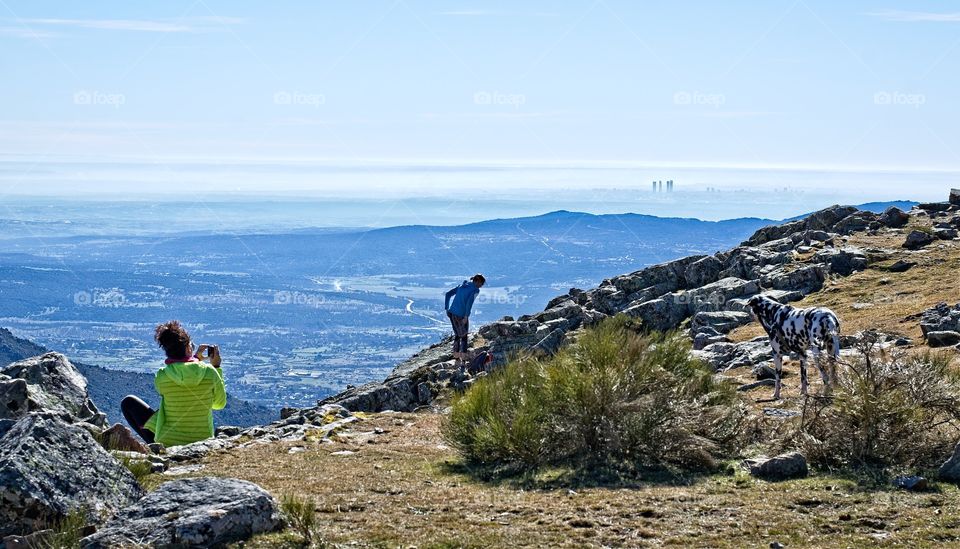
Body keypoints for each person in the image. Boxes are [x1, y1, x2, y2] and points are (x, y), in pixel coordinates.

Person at [121, 320, 227, 447]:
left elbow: (179, 381)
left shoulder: (162, 375)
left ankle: (154, 447)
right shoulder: (210, 372)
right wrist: (216, 367)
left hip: (167, 442)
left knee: (128, 402)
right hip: (202, 442)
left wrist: (194, 359)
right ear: (188, 348)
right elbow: (218, 404)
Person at [444, 273, 485, 366]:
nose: (481, 286)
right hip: (461, 315)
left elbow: (448, 294)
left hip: (452, 313)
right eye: (481, 284)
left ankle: (456, 356)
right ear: (477, 281)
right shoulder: (475, 290)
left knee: (458, 334)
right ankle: (463, 359)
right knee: (464, 336)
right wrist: (466, 316)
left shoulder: (462, 285)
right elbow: (469, 303)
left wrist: (447, 308)